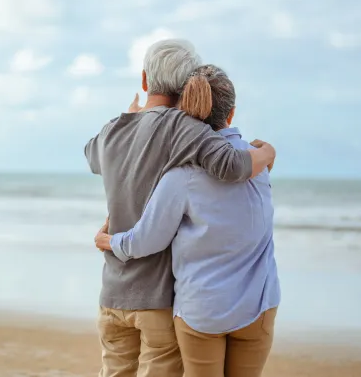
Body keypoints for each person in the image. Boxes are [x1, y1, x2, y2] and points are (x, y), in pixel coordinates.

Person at [85, 41, 276, 377]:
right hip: (156, 297)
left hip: (112, 292)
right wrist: (267, 154)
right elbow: (232, 165)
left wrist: (129, 116)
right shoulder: (183, 127)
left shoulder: (113, 130)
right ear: (189, 87)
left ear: (145, 81)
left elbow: (92, 155)